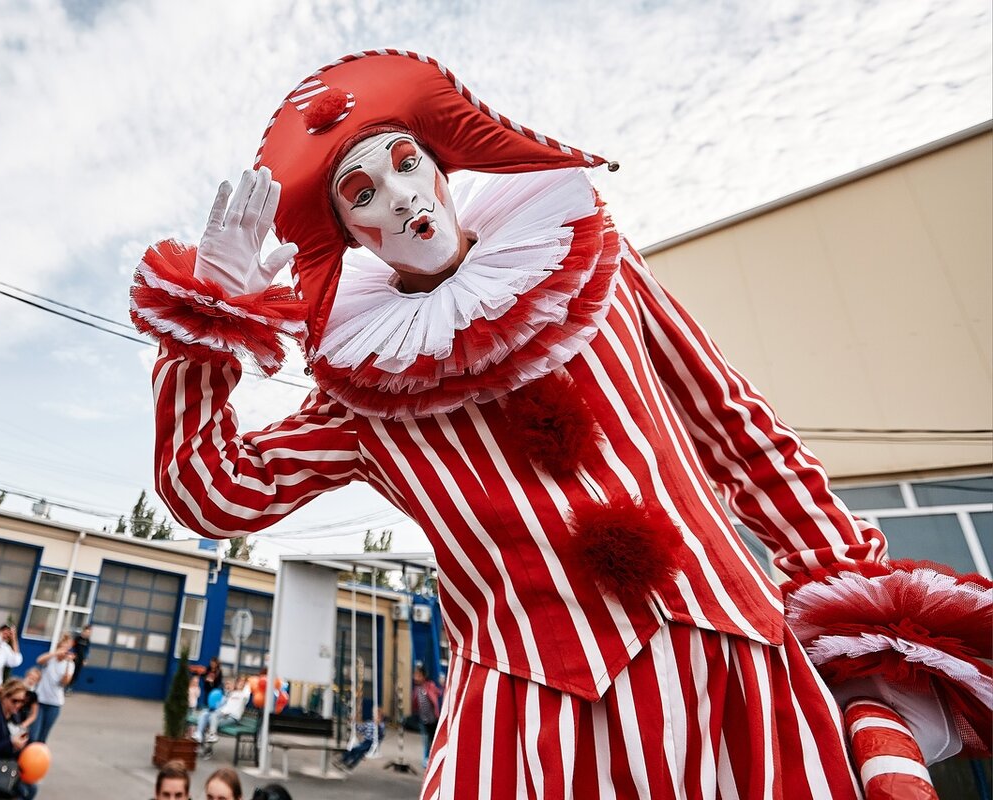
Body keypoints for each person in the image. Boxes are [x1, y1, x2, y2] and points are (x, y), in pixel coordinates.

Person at [131, 51, 990, 798]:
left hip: (731, 668)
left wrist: (860, 606)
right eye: (362, 192)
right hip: (529, 721)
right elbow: (216, 493)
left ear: (440, 167)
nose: (395, 197)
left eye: (404, 164)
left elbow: (737, 429)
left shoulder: (595, 267)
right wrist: (207, 328)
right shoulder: (360, 389)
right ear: (351, 232)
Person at [31, 634, 75, 743]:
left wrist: (68, 663)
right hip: (40, 701)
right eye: (62, 647)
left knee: (43, 737)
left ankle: (38, 759)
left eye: (66, 648)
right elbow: (39, 660)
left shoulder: (70, 664)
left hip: (54, 704)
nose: (64, 651)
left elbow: (64, 682)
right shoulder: (50, 658)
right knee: (33, 734)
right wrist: (55, 653)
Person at [193, 677, 249, 744]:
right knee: (205, 714)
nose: (240, 685)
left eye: (242, 684)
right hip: (223, 714)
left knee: (212, 720)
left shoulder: (244, 695)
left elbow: (247, 689)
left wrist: (247, 681)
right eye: (239, 683)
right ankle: (199, 734)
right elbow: (226, 705)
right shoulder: (232, 694)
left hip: (232, 717)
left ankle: (212, 735)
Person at [410, 666, 440, 769]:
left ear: (423, 676)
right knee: (426, 739)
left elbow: (437, 693)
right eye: (415, 675)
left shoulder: (429, 686)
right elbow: (415, 703)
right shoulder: (417, 690)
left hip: (433, 719)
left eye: (418, 675)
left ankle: (432, 757)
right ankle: (426, 758)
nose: (415, 677)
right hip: (424, 720)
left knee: (433, 739)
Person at [68, 624, 91, 693]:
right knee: (71, 672)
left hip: (81, 660)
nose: (87, 634)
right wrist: (72, 654)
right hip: (74, 659)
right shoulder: (77, 639)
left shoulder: (87, 641)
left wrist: (85, 659)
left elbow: (87, 651)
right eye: (86, 632)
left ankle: (70, 687)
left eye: (89, 633)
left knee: (76, 674)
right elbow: (71, 647)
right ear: (83, 631)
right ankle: (66, 686)